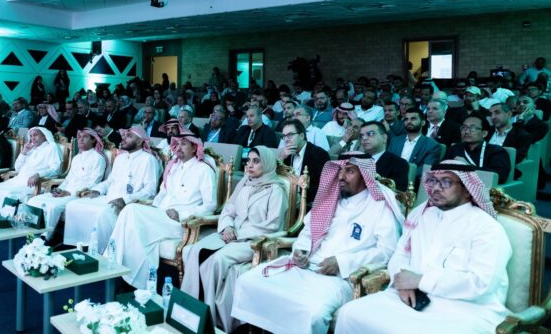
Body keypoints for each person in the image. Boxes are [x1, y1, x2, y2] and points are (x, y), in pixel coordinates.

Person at [335, 162, 512, 334]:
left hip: (464, 309)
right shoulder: (421, 214)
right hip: (412, 297)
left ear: (467, 190)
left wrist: (420, 280)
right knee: (349, 313)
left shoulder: (486, 227)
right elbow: (400, 255)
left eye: (446, 182)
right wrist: (403, 282)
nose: (436, 188)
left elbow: (482, 283)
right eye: (433, 181)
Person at [232, 156, 403, 334]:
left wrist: (342, 262)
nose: (341, 176)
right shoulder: (331, 197)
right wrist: (301, 250)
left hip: (340, 278)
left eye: (350, 171)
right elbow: (308, 232)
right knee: (248, 281)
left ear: (365, 176)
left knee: (313, 313)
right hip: (305, 267)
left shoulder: (380, 206)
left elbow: (386, 251)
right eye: (340, 170)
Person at [181, 146, 289, 332]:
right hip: (231, 233)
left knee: (216, 261)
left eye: (256, 161)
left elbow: (273, 225)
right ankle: (186, 310)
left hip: (253, 241)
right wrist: (227, 227)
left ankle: (208, 320)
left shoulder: (276, 190)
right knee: (195, 250)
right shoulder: (245, 183)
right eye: (249, 161)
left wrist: (238, 234)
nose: (250, 165)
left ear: (267, 164)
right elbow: (228, 211)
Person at [111, 131, 217, 289]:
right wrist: (152, 208)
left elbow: (210, 205)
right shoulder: (173, 167)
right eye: (177, 144)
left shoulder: (204, 170)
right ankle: (127, 273)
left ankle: (120, 270)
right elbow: (161, 194)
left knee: (131, 210)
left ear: (195, 147)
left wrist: (181, 214)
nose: (178, 148)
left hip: (179, 223)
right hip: (160, 216)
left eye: (183, 144)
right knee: (130, 216)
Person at [63, 126, 160, 253]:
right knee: (74, 205)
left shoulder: (148, 160)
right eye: (124, 135)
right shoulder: (120, 158)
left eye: (129, 136)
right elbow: (110, 181)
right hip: (108, 197)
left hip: (127, 203)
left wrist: (124, 199)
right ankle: (76, 246)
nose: (123, 138)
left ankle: (97, 252)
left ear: (139, 141)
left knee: (102, 213)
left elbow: (150, 191)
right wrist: (97, 190)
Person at [27, 128, 108, 238]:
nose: (80, 139)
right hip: (65, 192)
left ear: (93, 140)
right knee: (33, 200)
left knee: (52, 207)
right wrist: (59, 189)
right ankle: (30, 234)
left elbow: (94, 183)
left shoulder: (98, 158)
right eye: (79, 137)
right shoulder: (76, 158)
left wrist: (69, 193)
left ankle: (44, 238)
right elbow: (68, 179)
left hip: (79, 195)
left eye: (85, 137)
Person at [0, 127, 63, 214]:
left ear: (44, 136)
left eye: (35, 135)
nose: (32, 138)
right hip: (18, 180)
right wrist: (24, 152)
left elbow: (55, 170)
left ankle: (4, 219)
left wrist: (38, 174)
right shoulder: (31, 148)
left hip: (34, 183)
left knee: (9, 195)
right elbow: (17, 168)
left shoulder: (51, 147)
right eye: (31, 136)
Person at [444, 116, 510, 184]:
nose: (466, 131)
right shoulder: (455, 149)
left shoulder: (496, 151)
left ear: (484, 133)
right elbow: (441, 169)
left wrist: (468, 167)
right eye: (464, 127)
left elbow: (500, 177)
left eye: (472, 128)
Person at [277, 119, 329, 202]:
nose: (286, 139)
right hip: (286, 197)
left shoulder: (319, 154)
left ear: (301, 136)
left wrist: (298, 189)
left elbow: (323, 188)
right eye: (284, 136)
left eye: (290, 135)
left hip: (307, 200)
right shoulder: (286, 154)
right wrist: (282, 158)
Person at [387, 108, 442, 183]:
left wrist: (400, 176)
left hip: (411, 183)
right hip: (389, 180)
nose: (409, 121)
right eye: (406, 119)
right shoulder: (395, 140)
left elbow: (425, 170)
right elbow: (387, 161)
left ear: (423, 123)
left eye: (413, 119)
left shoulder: (432, 145)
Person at [360, 121, 410, 190]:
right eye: (361, 136)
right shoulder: (355, 160)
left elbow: (398, 193)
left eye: (370, 134)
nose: (364, 138)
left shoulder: (399, 164)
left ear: (384, 138)